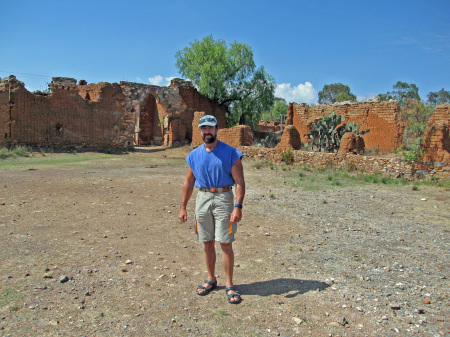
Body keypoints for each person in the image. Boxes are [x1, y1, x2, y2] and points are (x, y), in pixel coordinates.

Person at [179, 115, 245, 304]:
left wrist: (237, 207)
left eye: (210, 128)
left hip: (224, 198)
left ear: (216, 129)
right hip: (203, 198)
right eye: (203, 128)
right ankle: (211, 279)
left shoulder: (231, 153)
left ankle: (230, 284)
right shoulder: (194, 155)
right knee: (207, 241)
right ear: (200, 131)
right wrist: (183, 206)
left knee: (225, 243)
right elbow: (189, 181)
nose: (206, 131)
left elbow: (240, 181)